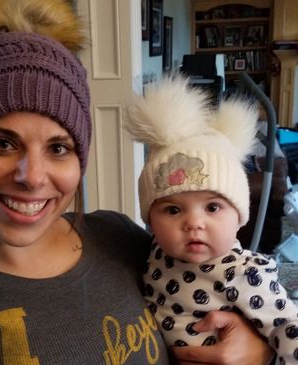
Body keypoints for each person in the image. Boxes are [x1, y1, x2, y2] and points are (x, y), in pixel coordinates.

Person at [0, 0, 273, 363]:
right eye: (1, 143)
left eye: (59, 147)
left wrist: (258, 348)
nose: (31, 177)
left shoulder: (119, 236)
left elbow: (222, 292)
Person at [125, 76, 298, 364]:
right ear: (150, 220)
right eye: (173, 210)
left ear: (240, 216)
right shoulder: (154, 251)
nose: (194, 223)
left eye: (213, 207)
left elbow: (287, 325)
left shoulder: (242, 273)